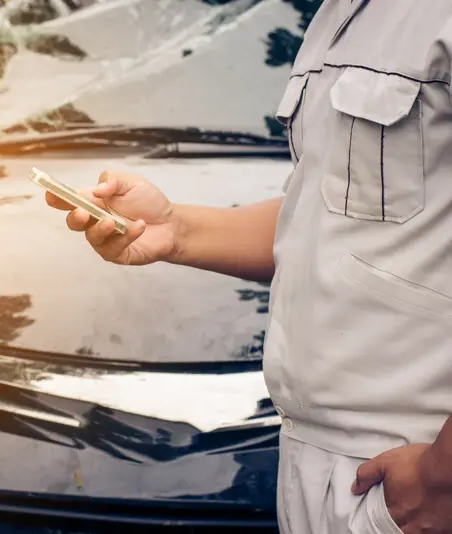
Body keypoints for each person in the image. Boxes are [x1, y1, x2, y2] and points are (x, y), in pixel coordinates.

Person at [46, 1, 452, 532]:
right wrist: (174, 229)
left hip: (409, 468)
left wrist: (440, 479)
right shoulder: (339, 16)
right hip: (323, 465)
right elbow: (330, 220)